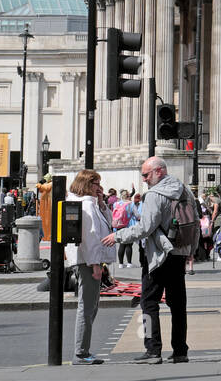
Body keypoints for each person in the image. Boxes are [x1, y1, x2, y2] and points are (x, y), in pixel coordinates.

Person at [103, 156, 196, 364]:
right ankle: (180, 350)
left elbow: (145, 228)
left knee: (148, 302)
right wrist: (192, 250)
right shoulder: (185, 191)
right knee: (178, 304)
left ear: (159, 172)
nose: (143, 179)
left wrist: (117, 236)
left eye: (146, 174)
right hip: (179, 253)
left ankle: (153, 350)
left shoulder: (155, 195)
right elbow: (195, 222)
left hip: (157, 255)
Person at [66, 169, 116, 364]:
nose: (99, 188)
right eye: (96, 184)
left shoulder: (91, 204)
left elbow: (109, 223)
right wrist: (96, 264)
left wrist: (102, 203)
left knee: (91, 306)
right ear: (87, 185)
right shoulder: (85, 206)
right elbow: (92, 238)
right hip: (88, 261)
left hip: (88, 259)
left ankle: (83, 350)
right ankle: (81, 352)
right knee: (87, 307)